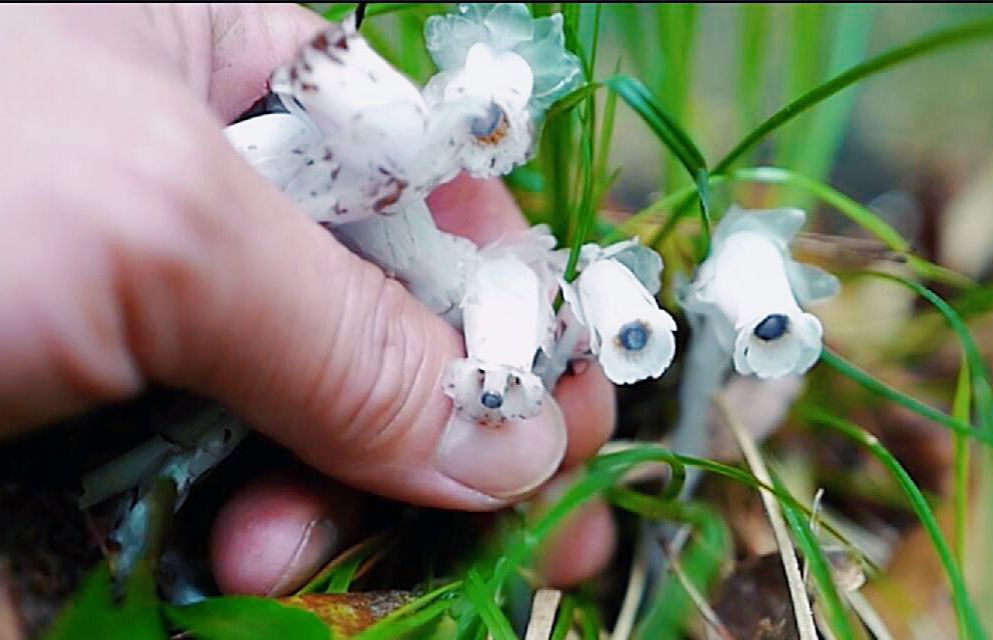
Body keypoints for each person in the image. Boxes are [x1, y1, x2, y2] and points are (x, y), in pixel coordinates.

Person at [0, 4, 615, 595]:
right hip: (234, 243)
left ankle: (107, 531)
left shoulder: (408, 184)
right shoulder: (349, 159)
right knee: (205, 431)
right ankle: (99, 529)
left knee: (212, 433)